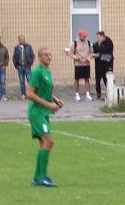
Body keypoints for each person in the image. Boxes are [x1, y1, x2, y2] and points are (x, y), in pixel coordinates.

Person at [27, 47, 63, 187]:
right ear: (40, 57)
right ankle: (40, 177)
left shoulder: (47, 71)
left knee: (44, 143)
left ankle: (39, 177)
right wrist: (48, 105)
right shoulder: (37, 72)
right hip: (37, 112)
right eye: (46, 55)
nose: (49, 57)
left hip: (44, 111)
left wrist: (55, 99)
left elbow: (43, 90)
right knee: (49, 141)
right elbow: (30, 93)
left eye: (50, 54)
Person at [68, 31, 92, 101]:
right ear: (79, 36)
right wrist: (77, 58)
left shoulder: (88, 43)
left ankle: (87, 94)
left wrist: (89, 58)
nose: (84, 37)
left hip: (86, 64)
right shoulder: (74, 43)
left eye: (85, 36)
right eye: (83, 36)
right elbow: (70, 53)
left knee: (87, 79)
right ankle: (76, 94)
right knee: (77, 79)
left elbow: (91, 52)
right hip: (78, 64)